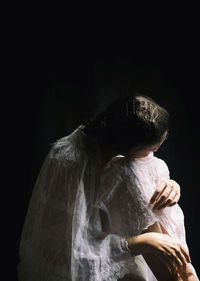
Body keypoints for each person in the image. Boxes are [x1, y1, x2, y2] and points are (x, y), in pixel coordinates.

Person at [18, 94, 198, 281]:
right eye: (152, 149)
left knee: (139, 180)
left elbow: (152, 169)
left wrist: (172, 185)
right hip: (70, 265)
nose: (155, 153)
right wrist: (143, 242)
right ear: (130, 148)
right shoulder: (69, 160)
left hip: (126, 242)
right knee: (131, 175)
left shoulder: (124, 151)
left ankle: (181, 276)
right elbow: (71, 251)